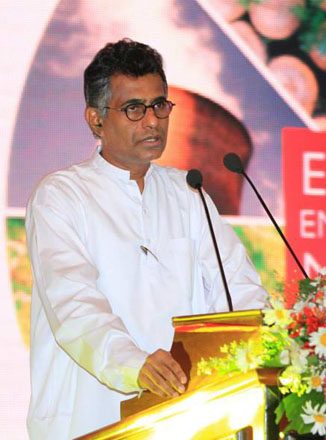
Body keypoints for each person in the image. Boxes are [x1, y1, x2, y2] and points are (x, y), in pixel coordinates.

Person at [25, 38, 267, 439]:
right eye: (134, 109)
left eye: (159, 105)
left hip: (187, 419)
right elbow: (74, 305)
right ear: (96, 120)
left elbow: (240, 293)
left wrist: (269, 343)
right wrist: (134, 364)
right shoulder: (61, 196)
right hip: (91, 421)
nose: (153, 121)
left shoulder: (188, 193)